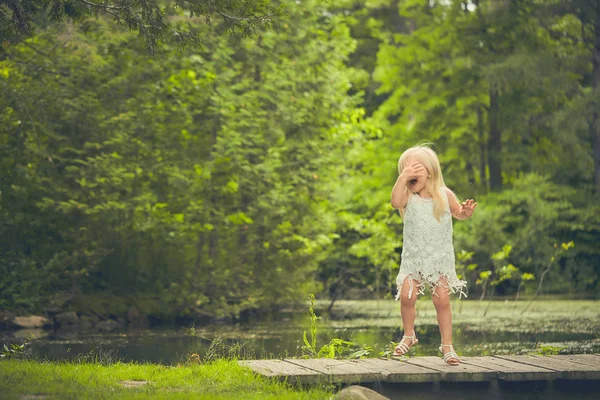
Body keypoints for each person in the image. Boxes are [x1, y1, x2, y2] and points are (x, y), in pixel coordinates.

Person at [390, 144, 477, 365]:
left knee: (442, 299)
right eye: (405, 168)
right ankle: (409, 335)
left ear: (430, 170)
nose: (410, 171)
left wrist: (465, 212)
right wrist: (402, 179)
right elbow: (394, 202)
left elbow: (458, 213)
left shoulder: (443, 194)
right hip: (414, 257)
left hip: (438, 257)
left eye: (415, 167)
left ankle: (447, 345)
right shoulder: (408, 196)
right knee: (408, 295)